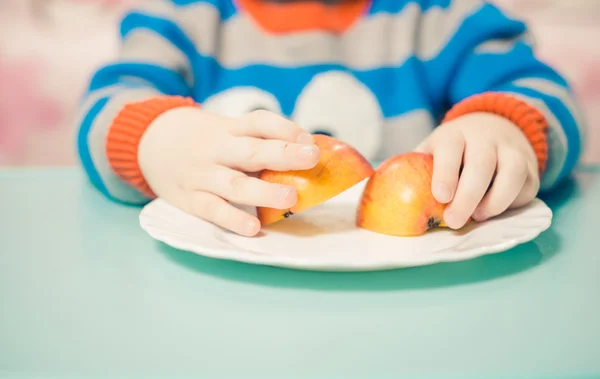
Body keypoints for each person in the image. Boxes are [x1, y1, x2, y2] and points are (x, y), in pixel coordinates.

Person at [76, 0, 584, 237]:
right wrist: (158, 141)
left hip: (412, 303)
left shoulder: (442, 16)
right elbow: (109, 105)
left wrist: (504, 127)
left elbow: (537, 90)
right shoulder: (181, 18)